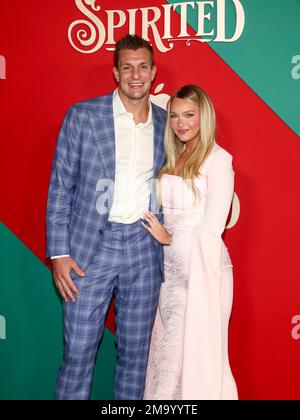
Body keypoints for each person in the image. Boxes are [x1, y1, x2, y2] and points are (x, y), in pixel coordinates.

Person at [46, 34, 167, 400]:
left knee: (135, 357)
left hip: (144, 250)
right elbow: (60, 186)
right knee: (79, 353)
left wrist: (169, 233)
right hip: (88, 252)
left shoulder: (166, 123)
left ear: (153, 72)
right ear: (116, 72)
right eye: (127, 67)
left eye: (142, 67)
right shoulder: (83, 115)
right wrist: (58, 254)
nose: (135, 75)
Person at [142, 84, 238, 400]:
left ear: (204, 117)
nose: (181, 123)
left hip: (203, 273)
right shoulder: (173, 156)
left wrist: (172, 238)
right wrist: (165, 242)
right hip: (168, 275)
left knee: (192, 361)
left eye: (189, 115)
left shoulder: (219, 159)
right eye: (174, 116)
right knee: (166, 357)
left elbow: (211, 229)